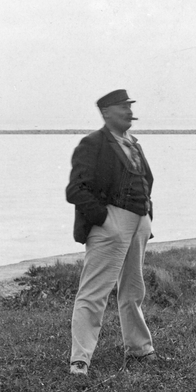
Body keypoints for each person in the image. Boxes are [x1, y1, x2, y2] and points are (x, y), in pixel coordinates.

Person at [65, 89, 162, 376]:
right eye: (123, 107)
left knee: (133, 289)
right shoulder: (93, 143)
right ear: (106, 112)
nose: (129, 112)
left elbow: (145, 181)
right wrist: (104, 218)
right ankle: (80, 360)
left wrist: (146, 215)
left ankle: (140, 349)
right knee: (93, 293)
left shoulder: (133, 143)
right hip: (112, 223)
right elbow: (76, 190)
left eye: (130, 106)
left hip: (138, 222)